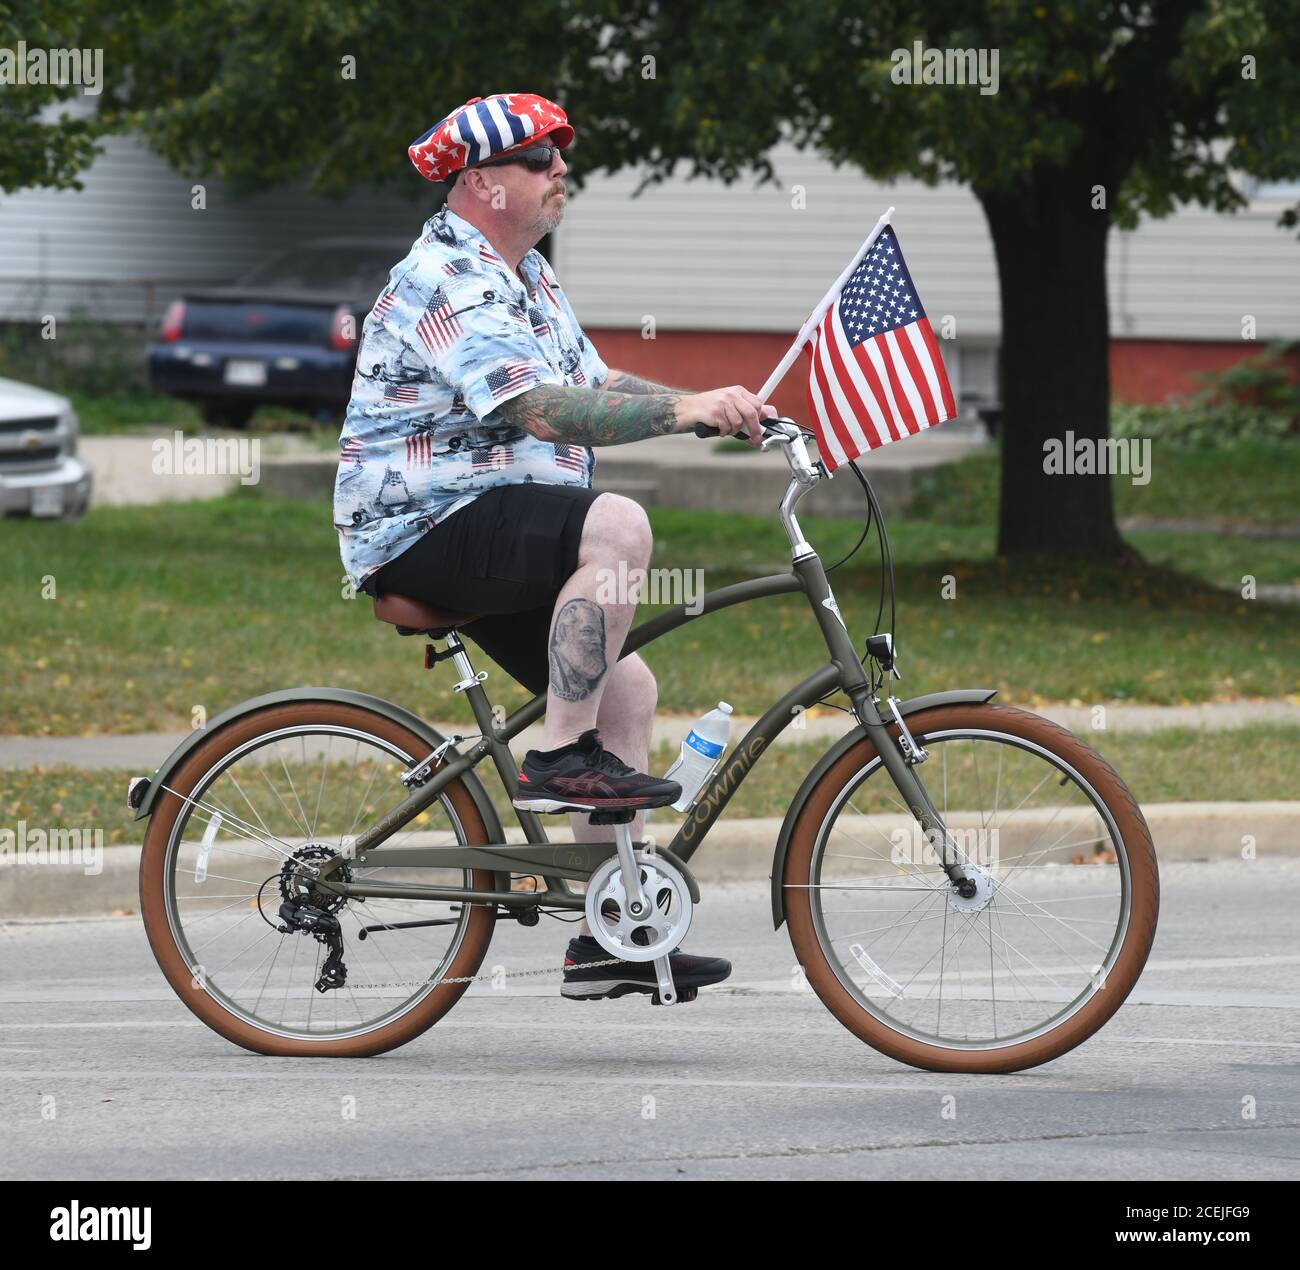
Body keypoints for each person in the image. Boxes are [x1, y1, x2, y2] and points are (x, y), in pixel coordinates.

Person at [333, 92, 775, 1001]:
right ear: (484, 181)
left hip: (491, 517)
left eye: (559, 156)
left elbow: (592, 381)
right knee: (617, 523)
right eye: (542, 158)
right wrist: (683, 410)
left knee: (630, 684)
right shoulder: (447, 277)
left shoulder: (524, 273)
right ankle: (556, 757)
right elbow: (534, 407)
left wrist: (711, 412)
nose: (560, 171)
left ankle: (613, 928)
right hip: (424, 524)